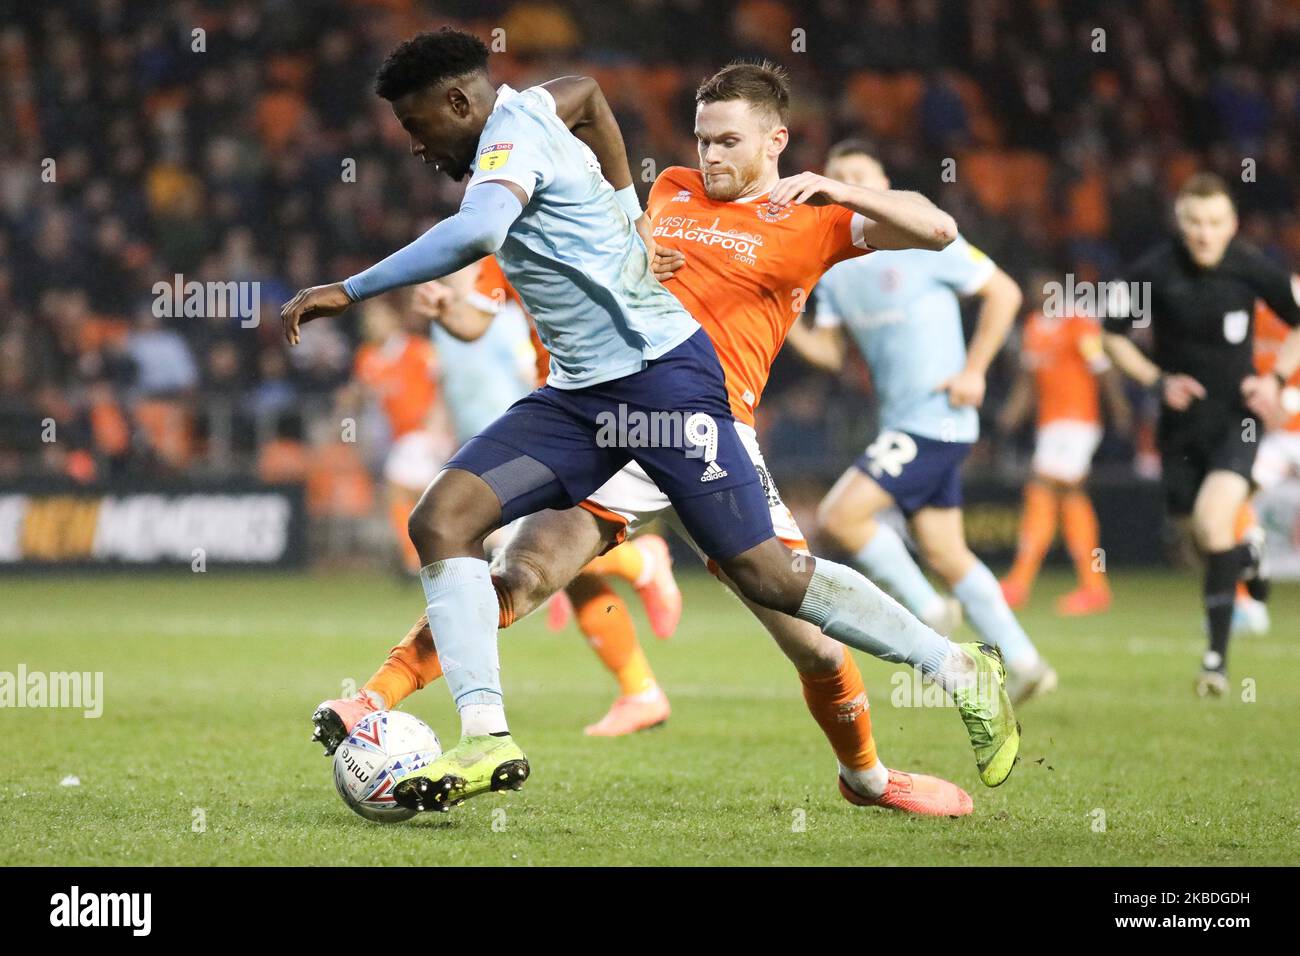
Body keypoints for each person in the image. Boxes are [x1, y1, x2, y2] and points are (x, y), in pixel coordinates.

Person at [283, 33, 1018, 814]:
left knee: (783, 598)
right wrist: (634, 224)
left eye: (728, 140)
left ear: (775, 141)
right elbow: (588, 98)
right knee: (463, 533)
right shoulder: (666, 187)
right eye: (703, 138)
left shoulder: (809, 215)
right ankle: (471, 729)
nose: (709, 156)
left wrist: (838, 190)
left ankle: (912, 724)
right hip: (586, 398)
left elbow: (937, 230)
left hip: (686, 403)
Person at [785, 141, 1056, 705]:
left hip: (935, 416)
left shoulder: (922, 242)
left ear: (882, 180)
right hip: (908, 422)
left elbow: (1004, 292)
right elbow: (832, 354)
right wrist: (780, 318)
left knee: (841, 514)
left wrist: (976, 370)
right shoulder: (838, 269)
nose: (848, 183)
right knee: (946, 550)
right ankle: (1027, 662)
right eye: (838, 177)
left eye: (859, 174)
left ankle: (927, 610)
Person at [1101, 172, 1300, 696]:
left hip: (1237, 418)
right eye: (1195, 222)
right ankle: (1250, 556)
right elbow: (1112, 337)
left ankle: (1215, 663)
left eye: (1215, 223)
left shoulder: (1252, 267)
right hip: (1180, 428)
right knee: (1194, 540)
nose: (1205, 234)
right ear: (1180, 222)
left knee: (1214, 527)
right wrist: (1156, 380)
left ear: (1231, 223)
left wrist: (1275, 378)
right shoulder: (1153, 271)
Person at [997, 274, 1132, 615]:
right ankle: (1089, 586)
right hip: (1049, 425)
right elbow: (1028, 379)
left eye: (1046, 286)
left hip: (1078, 421)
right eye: (1035, 288)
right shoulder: (1032, 326)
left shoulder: (1078, 322)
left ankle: (1022, 582)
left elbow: (1103, 369)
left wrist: (1120, 409)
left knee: (1046, 487)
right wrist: (1012, 413)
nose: (1040, 292)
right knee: (1061, 494)